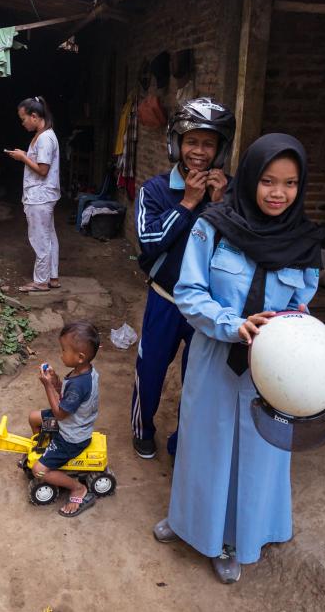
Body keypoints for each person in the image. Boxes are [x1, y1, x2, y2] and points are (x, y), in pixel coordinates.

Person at [155, 133, 323, 582]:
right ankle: (189, 522)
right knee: (203, 442)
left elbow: (304, 298)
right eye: (268, 180)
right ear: (249, 178)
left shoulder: (305, 243)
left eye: (289, 183)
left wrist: (293, 325)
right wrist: (232, 323)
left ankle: (234, 540)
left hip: (273, 369)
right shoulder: (214, 227)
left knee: (257, 451)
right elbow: (188, 292)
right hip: (215, 354)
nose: (277, 193)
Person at [131, 98, 233, 460]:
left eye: (209, 143)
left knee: (198, 381)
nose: (199, 152)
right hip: (166, 298)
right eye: (192, 141)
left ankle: (183, 442)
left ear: (221, 148)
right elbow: (150, 244)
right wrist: (189, 202)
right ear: (176, 143)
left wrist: (219, 205)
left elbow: (236, 251)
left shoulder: (231, 194)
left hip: (208, 306)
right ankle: (143, 429)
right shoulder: (155, 190)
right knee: (152, 368)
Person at [27, 321, 101, 517]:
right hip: (70, 421)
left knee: (39, 471)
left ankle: (77, 488)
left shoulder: (80, 385)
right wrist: (56, 381)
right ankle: (44, 448)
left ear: (80, 357)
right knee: (33, 418)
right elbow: (66, 395)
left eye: (63, 350)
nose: (60, 354)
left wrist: (47, 386)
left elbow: (60, 412)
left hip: (71, 437)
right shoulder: (82, 371)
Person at [7, 96, 60, 292]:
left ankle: (41, 281)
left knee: (40, 238)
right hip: (43, 195)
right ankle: (52, 278)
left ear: (35, 116)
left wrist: (23, 157)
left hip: (40, 196)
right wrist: (25, 155)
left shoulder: (45, 138)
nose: (23, 123)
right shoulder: (44, 134)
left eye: (23, 119)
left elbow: (43, 169)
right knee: (49, 236)